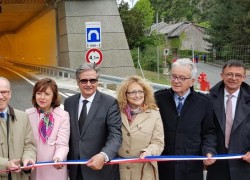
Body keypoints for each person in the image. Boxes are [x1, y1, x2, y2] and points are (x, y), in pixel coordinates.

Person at [154, 58, 217, 180]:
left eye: (182, 78)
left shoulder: (204, 102)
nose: (176, 81)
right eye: (173, 76)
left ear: (192, 81)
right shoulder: (158, 99)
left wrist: (209, 151)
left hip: (191, 165)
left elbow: (209, 132)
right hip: (164, 163)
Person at [64, 63, 122, 180]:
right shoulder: (69, 102)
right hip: (76, 169)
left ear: (97, 81)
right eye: (84, 81)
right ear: (77, 81)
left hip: (101, 170)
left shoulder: (109, 103)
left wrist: (103, 156)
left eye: (92, 80)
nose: (88, 84)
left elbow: (115, 135)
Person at [206, 60, 250, 180]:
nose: (233, 78)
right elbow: (207, 130)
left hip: (245, 166)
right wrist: (208, 151)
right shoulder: (208, 100)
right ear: (222, 75)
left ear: (244, 77)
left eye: (238, 75)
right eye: (229, 74)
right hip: (217, 165)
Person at [116, 76, 164, 180]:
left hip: (144, 170)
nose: (137, 95)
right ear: (125, 94)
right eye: (132, 92)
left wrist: (149, 152)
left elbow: (158, 142)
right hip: (119, 171)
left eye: (140, 91)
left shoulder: (154, 113)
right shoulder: (115, 112)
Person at [25, 78, 70, 180]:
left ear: (53, 96)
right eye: (39, 93)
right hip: (33, 169)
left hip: (53, 168)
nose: (42, 97)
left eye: (46, 94)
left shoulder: (63, 115)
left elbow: (62, 143)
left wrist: (59, 157)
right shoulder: (28, 113)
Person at [0, 77, 36, 180]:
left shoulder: (23, 117)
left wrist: (28, 159)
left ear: (10, 94)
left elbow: (30, 145)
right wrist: (5, 164)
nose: (0, 96)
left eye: (4, 92)